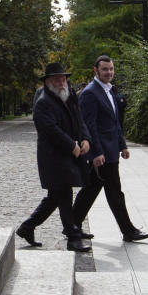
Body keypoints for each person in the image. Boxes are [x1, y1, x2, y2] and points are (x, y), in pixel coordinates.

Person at [72, 55, 148, 242]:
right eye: (105, 69)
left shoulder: (109, 91)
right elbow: (88, 126)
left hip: (111, 150)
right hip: (102, 153)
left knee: (90, 190)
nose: (109, 72)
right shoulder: (91, 93)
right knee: (114, 191)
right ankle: (128, 231)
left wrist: (122, 145)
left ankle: (72, 225)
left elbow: (115, 122)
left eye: (111, 69)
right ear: (96, 71)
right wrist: (96, 153)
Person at [17, 62, 93, 252]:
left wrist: (85, 139)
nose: (61, 81)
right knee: (64, 196)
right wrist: (71, 146)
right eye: (57, 78)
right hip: (54, 158)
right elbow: (50, 130)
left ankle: (27, 227)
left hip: (70, 154)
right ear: (48, 81)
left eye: (63, 78)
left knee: (55, 197)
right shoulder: (43, 102)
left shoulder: (69, 95)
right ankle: (73, 238)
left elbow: (80, 119)